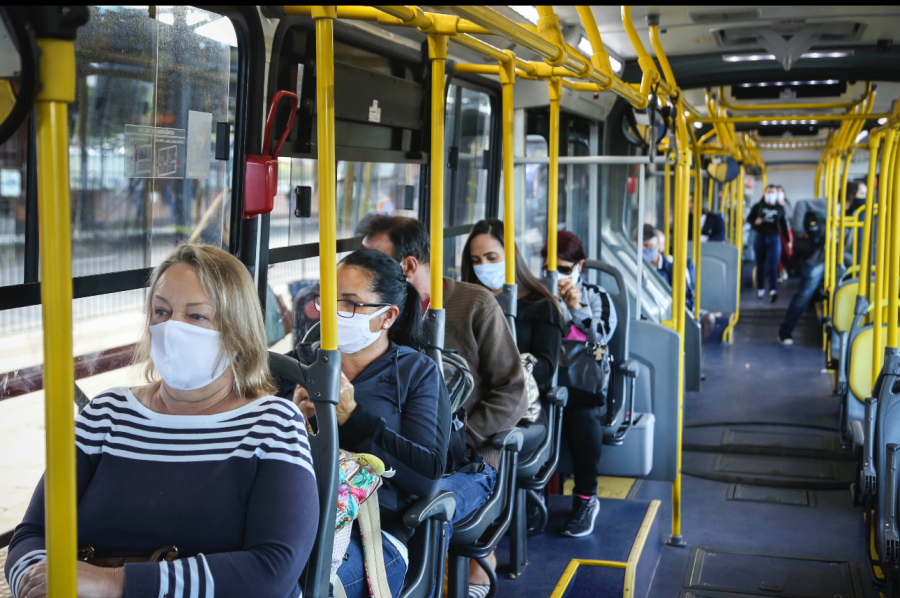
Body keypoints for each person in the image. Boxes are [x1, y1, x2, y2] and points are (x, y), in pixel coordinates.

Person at [6, 244, 319, 598]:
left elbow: (272, 570)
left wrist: (113, 584)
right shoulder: (106, 414)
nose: (172, 329)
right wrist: (35, 583)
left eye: (196, 316)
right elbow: (32, 534)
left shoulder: (272, 424)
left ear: (237, 332)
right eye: (161, 311)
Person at [356, 215, 527, 595]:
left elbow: (513, 391)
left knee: (416, 508)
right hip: (398, 453)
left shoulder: (474, 304)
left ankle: (455, 580)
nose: (363, 273)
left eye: (375, 261)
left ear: (409, 265)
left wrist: (460, 437)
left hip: (470, 454)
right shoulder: (379, 316)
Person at [279, 248, 449, 598]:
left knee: (301, 586)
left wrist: (353, 419)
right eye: (329, 299)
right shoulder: (297, 364)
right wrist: (291, 416)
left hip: (373, 530)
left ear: (388, 317)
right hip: (291, 514)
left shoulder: (416, 373)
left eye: (351, 304)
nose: (335, 312)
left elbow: (427, 474)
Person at [539, 231, 618, 537]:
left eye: (563, 269)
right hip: (546, 376)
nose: (556, 276)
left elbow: (602, 337)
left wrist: (577, 309)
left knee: (582, 418)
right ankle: (529, 494)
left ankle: (586, 497)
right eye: (550, 269)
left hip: (583, 380)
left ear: (579, 266)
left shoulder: (597, 296)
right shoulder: (537, 294)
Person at [461, 218, 566, 392]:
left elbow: (545, 368)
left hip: (518, 397)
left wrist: (504, 369)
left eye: (491, 258)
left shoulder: (542, 306)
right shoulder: (468, 302)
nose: (484, 266)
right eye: (476, 260)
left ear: (510, 256)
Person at [778, 198, 828, 345]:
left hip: (842, 258)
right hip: (818, 257)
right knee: (804, 294)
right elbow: (801, 203)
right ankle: (785, 331)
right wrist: (799, 230)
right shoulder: (829, 204)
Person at [748, 185, 790, 302]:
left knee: (773, 265)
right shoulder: (758, 206)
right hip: (760, 237)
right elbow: (750, 219)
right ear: (765, 193)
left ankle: (773, 290)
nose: (770, 194)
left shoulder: (779, 208)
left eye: (773, 192)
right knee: (760, 265)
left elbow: (784, 225)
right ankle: (760, 288)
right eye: (769, 192)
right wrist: (755, 222)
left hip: (774, 239)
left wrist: (788, 240)